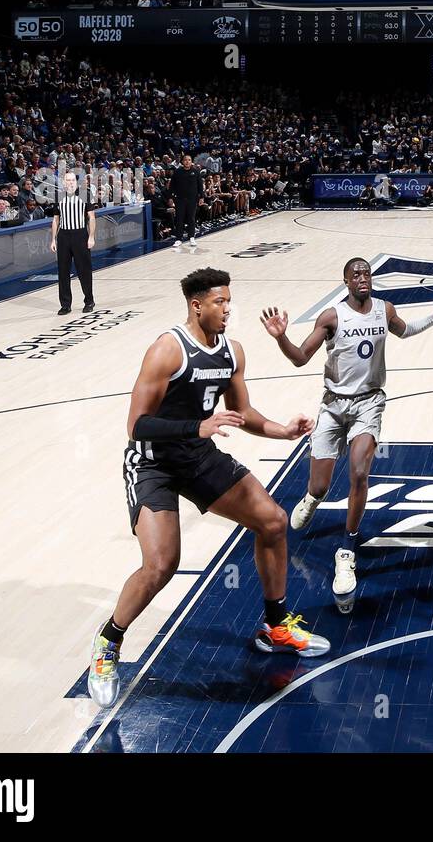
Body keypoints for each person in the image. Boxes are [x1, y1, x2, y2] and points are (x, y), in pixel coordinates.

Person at [88, 268, 326, 708]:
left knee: (272, 521)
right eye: (219, 302)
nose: (227, 309)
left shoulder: (232, 351)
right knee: (161, 565)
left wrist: (282, 430)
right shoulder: (167, 349)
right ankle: (108, 644)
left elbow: (242, 413)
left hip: (198, 457)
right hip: (153, 464)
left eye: (229, 301)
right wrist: (198, 426)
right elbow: (136, 425)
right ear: (196, 305)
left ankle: (275, 626)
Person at [261, 258, 433, 598]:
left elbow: (406, 330)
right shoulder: (332, 316)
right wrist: (281, 338)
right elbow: (299, 357)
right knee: (320, 486)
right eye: (356, 275)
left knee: (359, 474)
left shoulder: (385, 309)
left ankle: (347, 551)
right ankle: (313, 498)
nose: (362, 278)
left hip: (369, 402)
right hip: (333, 405)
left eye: (367, 273)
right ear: (346, 282)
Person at [51, 171, 96, 315]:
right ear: (63, 183)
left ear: (76, 183)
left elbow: (92, 217)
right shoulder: (58, 197)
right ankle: (65, 304)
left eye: (72, 180)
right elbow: (56, 219)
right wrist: (53, 239)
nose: (70, 183)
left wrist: (91, 237)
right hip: (64, 236)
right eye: (67, 180)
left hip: (80, 234)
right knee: (63, 271)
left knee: (84, 270)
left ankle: (89, 301)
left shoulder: (84, 195)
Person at [170, 154, 205, 249]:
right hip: (180, 199)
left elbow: (200, 186)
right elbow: (172, 185)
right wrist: (170, 197)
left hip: (192, 199)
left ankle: (191, 237)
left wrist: (201, 197)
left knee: (191, 218)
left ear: (191, 161)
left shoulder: (196, 172)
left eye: (189, 160)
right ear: (182, 161)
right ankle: (178, 239)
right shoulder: (177, 172)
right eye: (185, 160)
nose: (187, 161)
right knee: (179, 219)